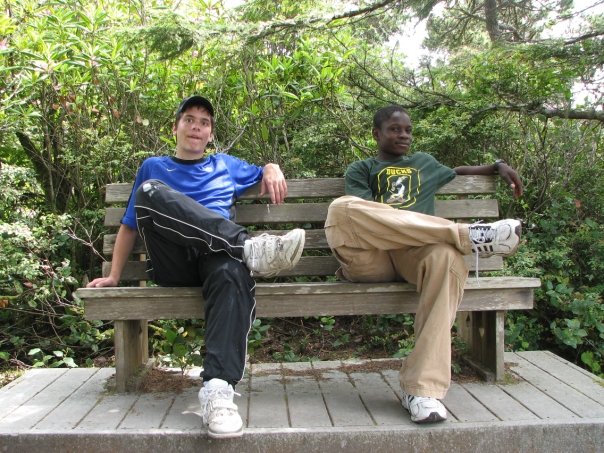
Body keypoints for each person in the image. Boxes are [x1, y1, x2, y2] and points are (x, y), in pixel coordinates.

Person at [86, 95, 305, 438]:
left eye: (204, 123)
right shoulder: (154, 167)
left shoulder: (225, 165)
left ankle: (218, 390)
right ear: (175, 127)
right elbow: (130, 225)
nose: (196, 127)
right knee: (150, 192)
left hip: (216, 259)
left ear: (210, 134)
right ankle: (247, 247)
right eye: (189, 119)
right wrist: (114, 275)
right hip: (173, 261)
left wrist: (272, 166)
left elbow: (264, 171)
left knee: (232, 271)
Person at [325, 105, 523, 424]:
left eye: (407, 130)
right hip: (371, 258)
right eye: (394, 129)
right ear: (376, 134)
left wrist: (497, 166)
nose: (403, 135)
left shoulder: (425, 164)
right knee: (342, 208)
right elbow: (363, 217)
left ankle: (421, 390)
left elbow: (459, 171)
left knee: (447, 257)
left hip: (413, 257)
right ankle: (465, 235)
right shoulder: (362, 169)